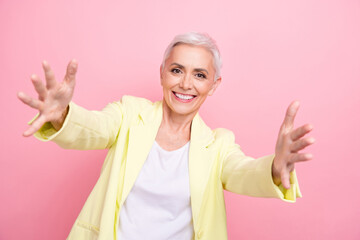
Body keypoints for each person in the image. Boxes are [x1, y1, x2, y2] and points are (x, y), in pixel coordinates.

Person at [17, 32, 315, 240]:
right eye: (176, 70)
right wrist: (63, 115)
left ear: (214, 85)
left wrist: (276, 168)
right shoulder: (130, 114)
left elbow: (244, 172)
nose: (186, 84)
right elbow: (95, 126)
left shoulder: (218, 144)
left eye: (200, 75)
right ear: (162, 73)